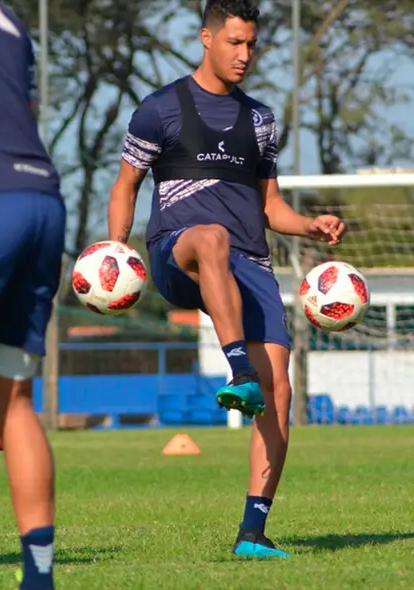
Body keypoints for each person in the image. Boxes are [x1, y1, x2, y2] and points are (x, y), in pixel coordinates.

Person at [107, 0, 346, 560]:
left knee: (280, 390)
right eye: (234, 42)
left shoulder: (260, 119)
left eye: (252, 45)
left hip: (250, 263)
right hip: (180, 254)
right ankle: (238, 370)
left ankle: (253, 534)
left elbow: (271, 206)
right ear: (206, 38)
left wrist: (310, 225)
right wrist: (117, 252)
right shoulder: (160, 109)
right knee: (210, 235)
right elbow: (125, 185)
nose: (245, 55)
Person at [0, 0, 64, 587]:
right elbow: (27, 109)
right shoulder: (10, 19)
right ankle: (38, 577)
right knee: (13, 403)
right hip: (42, 201)